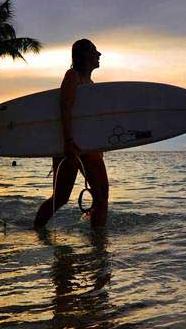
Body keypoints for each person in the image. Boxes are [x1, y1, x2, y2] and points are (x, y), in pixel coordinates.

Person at [34, 39, 109, 229]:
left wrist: (100, 144)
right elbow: (65, 106)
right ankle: (36, 231)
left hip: (88, 147)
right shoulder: (72, 76)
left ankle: (97, 246)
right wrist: (68, 142)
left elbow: (89, 120)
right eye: (95, 51)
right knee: (60, 198)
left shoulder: (90, 83)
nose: (99, 54)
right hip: (70, 145)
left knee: (101, 195)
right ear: (84, 55)